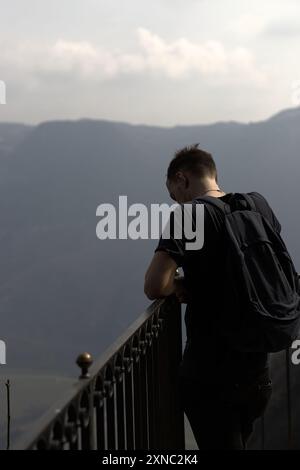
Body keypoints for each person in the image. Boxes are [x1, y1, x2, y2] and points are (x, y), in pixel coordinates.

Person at [144, 144, 279, 450]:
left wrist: (177, 285)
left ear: (182, 179)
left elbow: (154, 285)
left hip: (210, 377)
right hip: (258, 374)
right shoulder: (257, 205)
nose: (176, 201)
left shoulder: (188, 215)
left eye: (173, 194)